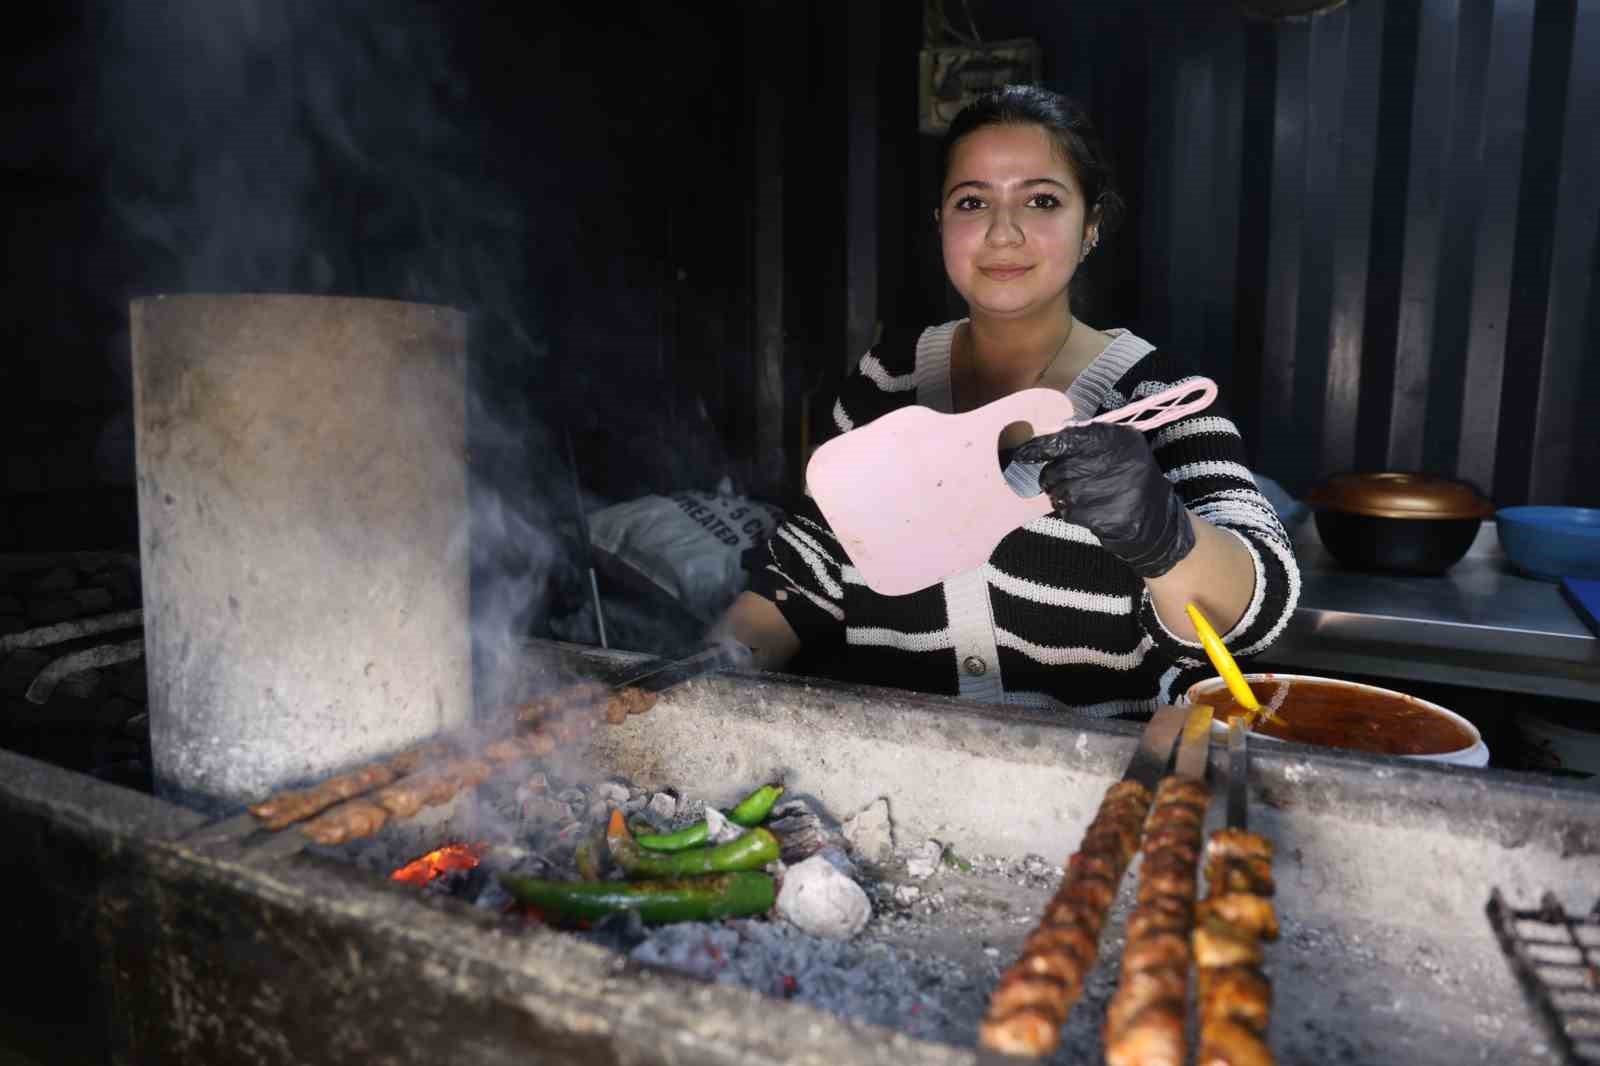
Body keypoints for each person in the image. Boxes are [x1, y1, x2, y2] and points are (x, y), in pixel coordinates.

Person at [713, 84, 1300, 718]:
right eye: (972, 202)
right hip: (898, 764)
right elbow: (807, 572)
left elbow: (1260, 610)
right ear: (941, 223)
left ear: (1091, 225)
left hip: (1103, 773)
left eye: (1042, 201)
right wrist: (706, 668)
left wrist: (1165, 535)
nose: (1002, 232)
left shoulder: (1163, 397)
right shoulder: (885, 381)